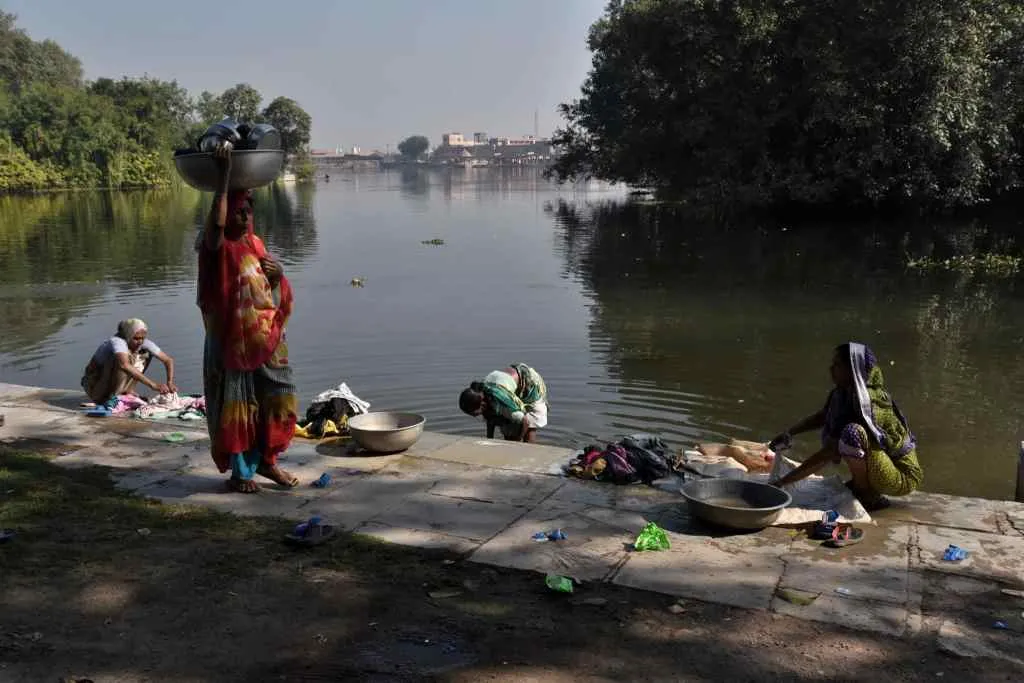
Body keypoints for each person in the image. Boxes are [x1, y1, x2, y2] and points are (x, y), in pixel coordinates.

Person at [197, 142, 299, 493]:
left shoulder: (255, 243)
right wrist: (223, 178)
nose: (245, 216)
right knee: (238, 404)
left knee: (279, 395)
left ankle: (268, 462)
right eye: (239, 210)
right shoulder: (216, 247)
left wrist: (277, 272)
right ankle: (242, 473)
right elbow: (217, 222)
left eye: (249, 209)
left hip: (266, 338)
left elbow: (265, 287)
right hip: (231, 342)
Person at [768, 342, 922, 511]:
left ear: (853, 370)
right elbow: (822, 416)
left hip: (901, 476)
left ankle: (868, 495)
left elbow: (829, 452)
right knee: (850, 437)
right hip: (882, 466)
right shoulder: (841, 393)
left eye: (837, 365)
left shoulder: (866, 402)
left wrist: (784, 481)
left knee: (852, 435)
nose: (831, 369)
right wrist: (790, 432)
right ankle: (863, 487)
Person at [81, 319, 176, 404]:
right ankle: (113, 397)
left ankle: (127, 390)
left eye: (142, 338)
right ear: (128, 335)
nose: (140, 342)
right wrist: (153, 385)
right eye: (136, 338)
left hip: (110, 381)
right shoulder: (117, 341)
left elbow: (168, 360)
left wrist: (169, 382)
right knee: (121, 359)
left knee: (146, 353)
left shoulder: (142, 343)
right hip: (94, 386)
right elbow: (124, 365)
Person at [459, 363, 548, 442]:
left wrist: (518, 440)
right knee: (508, 433)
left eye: (475, 414)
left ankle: (530, 453)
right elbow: (490, 420)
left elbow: (525, 421)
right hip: (510, 388)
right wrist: (489, 441)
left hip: (530, 384)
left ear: (482, 405)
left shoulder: (501, 402)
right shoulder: (481, 393)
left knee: (529, 429)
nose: (475, 416)